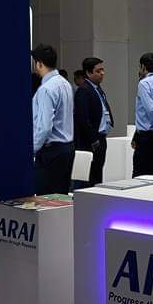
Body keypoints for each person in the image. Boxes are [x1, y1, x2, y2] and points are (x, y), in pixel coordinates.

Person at [31, 44, 75, 195]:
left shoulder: (46, 89)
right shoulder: (65, 84)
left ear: (39, 64)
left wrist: (32, 149)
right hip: (67, 149)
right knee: (60, 199)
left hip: (51, 152)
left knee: (45, 201)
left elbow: (44, 127)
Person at [74, 56, 114, 187]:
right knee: (90, 177)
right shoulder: (83, 90)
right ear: (88, 72)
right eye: (98, 71)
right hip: (91, 141)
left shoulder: (97, 89)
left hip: (101, 138)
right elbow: (83, 119)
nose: (102, 73)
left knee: (97, 174)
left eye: (102, 70)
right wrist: (93, 139)